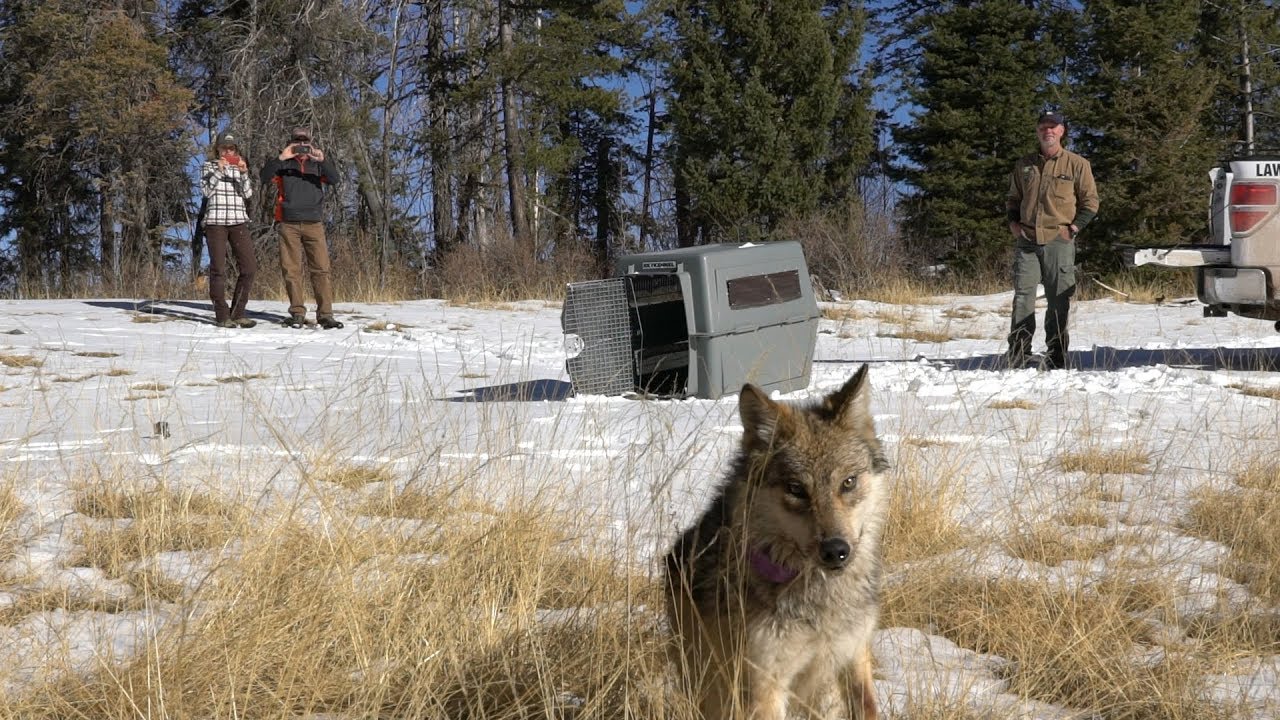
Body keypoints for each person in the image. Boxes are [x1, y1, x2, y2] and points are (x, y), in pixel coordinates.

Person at [1005, 111, 1099, 370]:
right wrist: (1013, 223)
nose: (1048, 131)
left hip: (1059, 240)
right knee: (1023, 297)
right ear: (1037, 131)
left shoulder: (1077, 164)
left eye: (1053, 127)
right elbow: (1013, 198)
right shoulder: (1024, 165)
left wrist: (1074, 228)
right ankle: (1018, 354)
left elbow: (1091, 203)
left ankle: (1056, 356)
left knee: (1058, 299)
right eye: (1043, 126)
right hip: (1027, 239)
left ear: (1062, 131)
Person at [259, 126, 344, 329]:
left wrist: (322, 160)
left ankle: (325, 315)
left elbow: (335, 179)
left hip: (314, 222)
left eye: (305, 141)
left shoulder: (317, 165)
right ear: (291, 143)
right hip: (288, 222)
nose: (302, 145)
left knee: (321, 269)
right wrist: (281, 157)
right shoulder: (283, 164)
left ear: (310, 143)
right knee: (291, 270)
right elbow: (264, 177)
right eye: (297, 141)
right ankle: (297, 313)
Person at [201, 131, 257, 329]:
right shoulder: (209, 166)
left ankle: (238, 313)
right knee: (218, 268)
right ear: (217, 149)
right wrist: (219, 171)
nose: (228, 152)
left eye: (231, 148)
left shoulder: (239, 167)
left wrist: (243, 173)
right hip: (215, 222)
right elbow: (206, 191)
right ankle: (222, 315)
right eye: (224, 148)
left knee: (249, 267)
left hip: (238, 221)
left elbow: (248, 194)